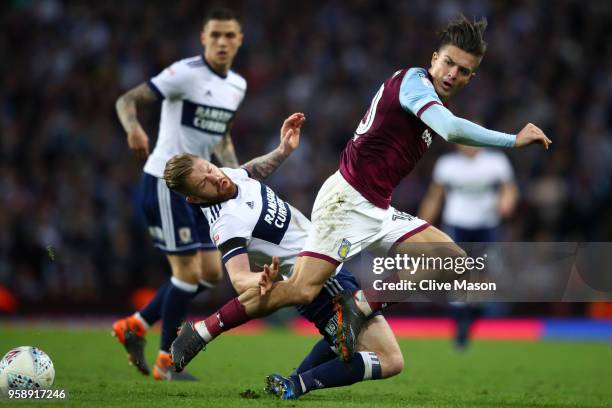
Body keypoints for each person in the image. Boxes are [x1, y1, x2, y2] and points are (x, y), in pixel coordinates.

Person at [173, 14, 552, 366]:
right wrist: (513, 140)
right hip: (346, 201)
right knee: (301, 291)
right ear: (434, 58)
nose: (453, 74)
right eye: (449, 63)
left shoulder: (430, 98)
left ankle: (358, 306)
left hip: (376, 206)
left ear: (471, 77)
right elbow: (450, 129)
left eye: (464, 71)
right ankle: (203, 331)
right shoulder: (413, 84)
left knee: (451, 261)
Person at [162, 152, 405, 400]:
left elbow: (251, 170)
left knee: (341, 342)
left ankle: (291, 381)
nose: (214, 177)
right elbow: (238, 278)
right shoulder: (227, 223)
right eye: (204, 183)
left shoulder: (229, 176)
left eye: (208, 168)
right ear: (194, 198)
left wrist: (283, 150)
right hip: (322, 283)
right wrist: (259, 279)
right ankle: (296, 384)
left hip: (324, 272)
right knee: (391, 360)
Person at [112, 7, 249, 380]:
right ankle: (166, 362)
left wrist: (238, 178)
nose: (222, 42)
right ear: (203, 38)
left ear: (239, 40)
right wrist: (134, 129)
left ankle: (137, 324)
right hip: (163, 182)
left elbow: (220, 134)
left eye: (229, 35)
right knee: (187, 274)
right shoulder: (183, 74)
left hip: (199, 192)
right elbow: (126, 101)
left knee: (209, 274)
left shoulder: (237, 86)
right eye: (215, 35)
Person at [419, 144, 518, 349]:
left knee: (485, 277)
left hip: (486, 226)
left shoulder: (496, 162)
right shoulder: (448, 164)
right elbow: (434, 196)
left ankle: (472, 317)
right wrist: (421, 225)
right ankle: (461, 322)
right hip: (457, 224)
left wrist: (507, 202)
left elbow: (509, 189)